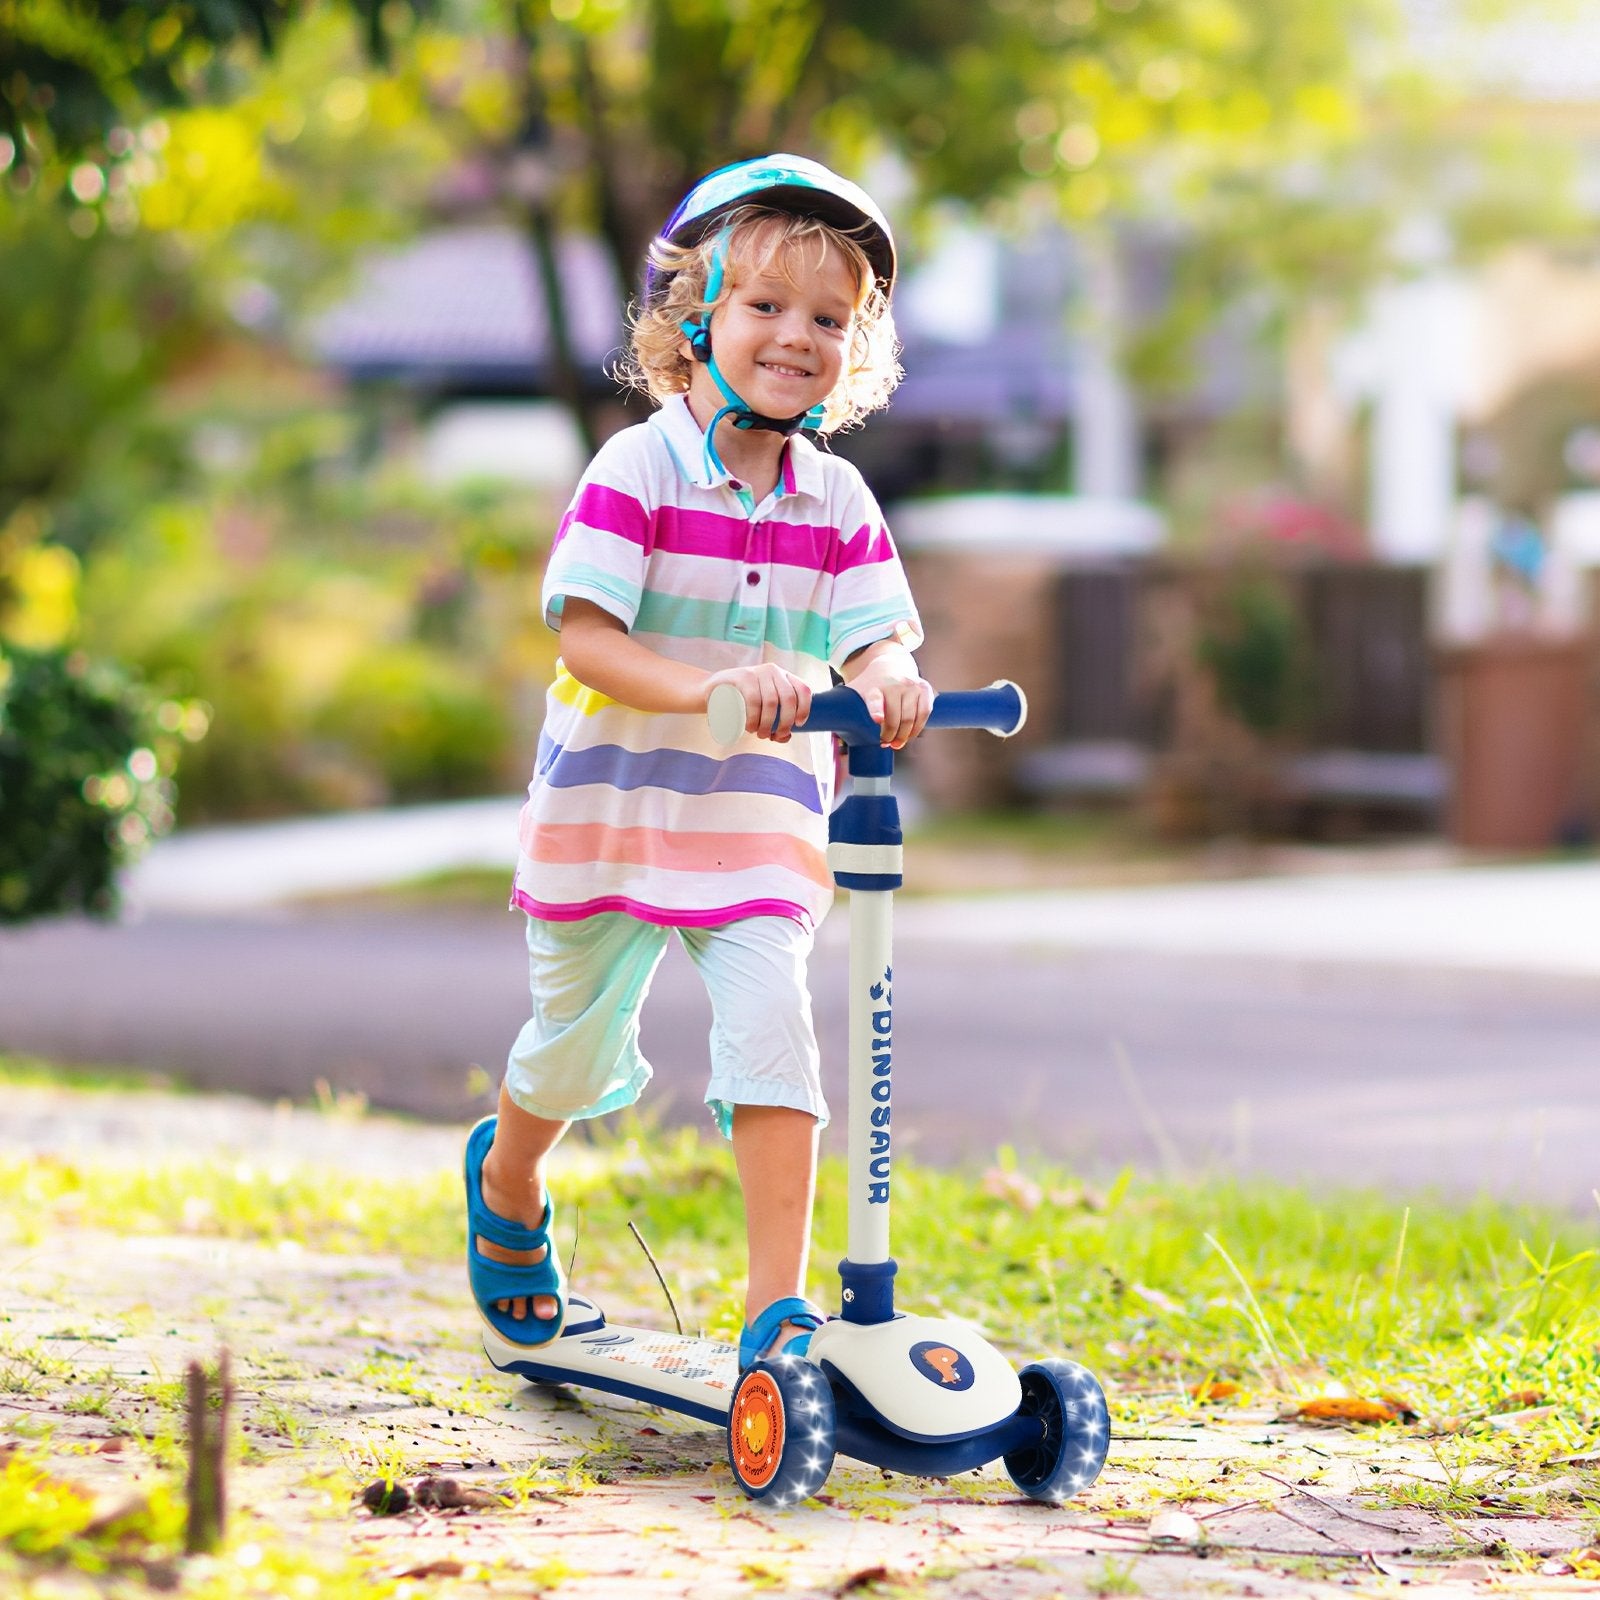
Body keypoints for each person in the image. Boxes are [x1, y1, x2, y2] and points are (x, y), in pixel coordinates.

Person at [463, 155, 932, 1370]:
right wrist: (709, 687)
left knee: (775, 1024)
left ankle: (776, 1310)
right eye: (766, 306)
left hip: (759, 817)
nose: (796, 336)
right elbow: (586, 640)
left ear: (856, 347)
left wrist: (883, 675)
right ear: (695, 321)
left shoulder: (836, 498)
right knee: (569, 1050)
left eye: (829, 319)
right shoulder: (637, 470)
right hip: (609, 810)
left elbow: (875, 625)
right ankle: (510, 1180)